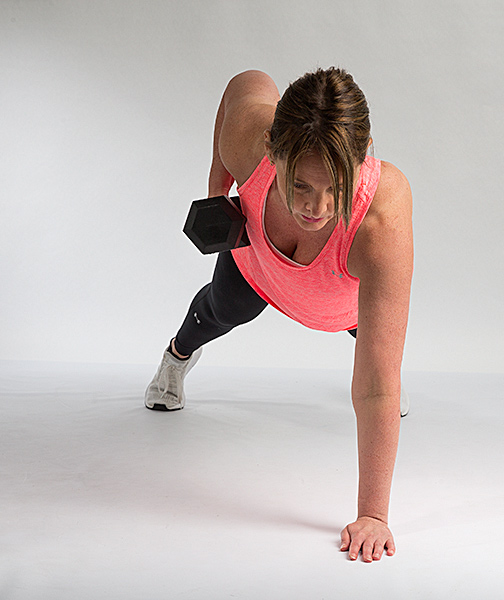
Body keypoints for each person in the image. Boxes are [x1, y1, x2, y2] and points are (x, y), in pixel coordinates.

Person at [144, 68, 413, 563]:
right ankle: (176, 358)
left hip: (340, 299)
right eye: (301, 184)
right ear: (271, 149)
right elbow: (246, 82)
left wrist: (373, 515)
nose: (318, 207)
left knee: (380, 368)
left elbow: (373, 388)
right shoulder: (248, 140)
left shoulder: (382, 214)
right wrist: (215, 195)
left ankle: (388, 380)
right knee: (218, 310)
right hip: (258, 268)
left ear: (365, 152)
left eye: (336, 185)